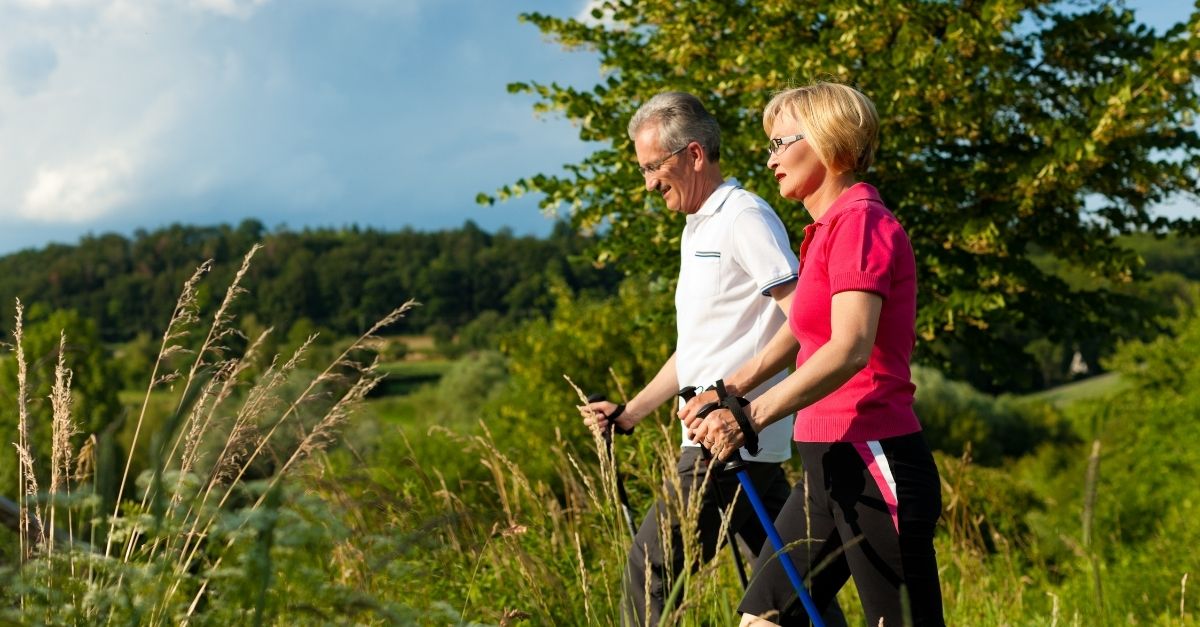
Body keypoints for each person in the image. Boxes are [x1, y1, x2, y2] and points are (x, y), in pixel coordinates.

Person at [580, 91, 844, 627]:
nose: (648, 182)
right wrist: (628, 413)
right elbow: (695, 351)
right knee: (787, 586)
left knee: (649, 567)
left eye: (654, 166)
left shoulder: (744, 216)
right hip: (737, 439)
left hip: (729, 440)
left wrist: (731, 394)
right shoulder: (697, 225)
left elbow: (806, 320)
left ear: (694, 155)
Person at [686, 82, 945, 626]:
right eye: (769, 147)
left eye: (781, 143)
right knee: (762, 620)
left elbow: (849, 347)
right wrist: (727, 390)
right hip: (824, 463)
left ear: (829, 142)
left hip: (874, 456)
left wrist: (750, 416)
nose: (772, 159)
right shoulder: (824, 230)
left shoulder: (861, 223)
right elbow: (803, 333)